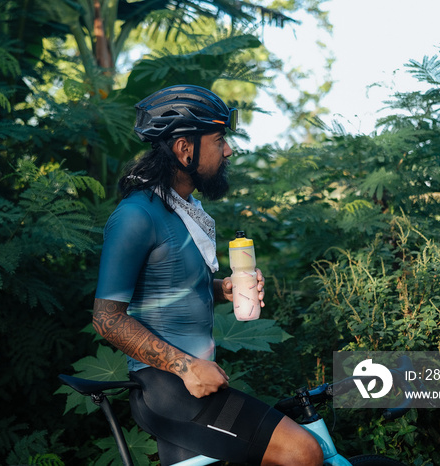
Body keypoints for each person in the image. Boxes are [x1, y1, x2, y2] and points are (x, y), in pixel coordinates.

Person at [92, 84, 323, 466]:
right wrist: (186, 366)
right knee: (303, 452)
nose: (228, 150)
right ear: (185, 150)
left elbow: (167, 289)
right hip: (170, 389)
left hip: (191, 387)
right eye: (219, 141)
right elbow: (106, 317)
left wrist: (223, 289)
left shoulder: (182, 209)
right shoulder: (137, 216)